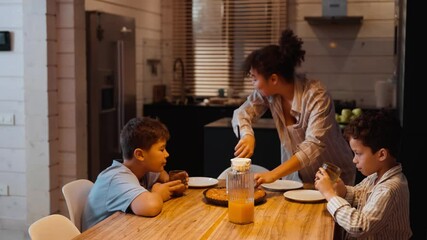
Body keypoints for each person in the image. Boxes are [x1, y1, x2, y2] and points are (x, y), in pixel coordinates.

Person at [232, 29, 355, 186]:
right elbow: (242, 113)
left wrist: (273, 174)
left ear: (274, 79)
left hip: (334, 177)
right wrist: (247, 135)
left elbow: (313, 145)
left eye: (255, 78)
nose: (252, 84)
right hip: (296, 179)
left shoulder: (316, 95)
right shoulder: (270, 94)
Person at [314, 110, 412, 239]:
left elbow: (359, 226)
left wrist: (329, 194)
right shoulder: (375, 177)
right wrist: (343, 191)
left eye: (358, 153)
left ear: (381, 154)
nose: (354, 160)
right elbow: (359, 196)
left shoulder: (389, 189)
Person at [82, 117, 188, 231]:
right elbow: (151, 206)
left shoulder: (143, 169)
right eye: (161, 149)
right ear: (140, 155)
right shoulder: (117, 178)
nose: (167, 154)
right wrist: (158, 193)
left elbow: (162, 175)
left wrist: (170, 183)